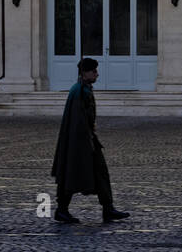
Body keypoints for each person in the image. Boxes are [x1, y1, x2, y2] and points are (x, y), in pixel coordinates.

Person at [50, 57, 130, 224]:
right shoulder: (79, 91)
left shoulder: (83, 89)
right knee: (71, 174)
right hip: (80, 142)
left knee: (99, 173)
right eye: (94, 71)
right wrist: (88, 142)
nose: (97, 74)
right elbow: (79, 121)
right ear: (85, 73)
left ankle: (108, 208)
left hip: (86, 140)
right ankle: (62, 210)